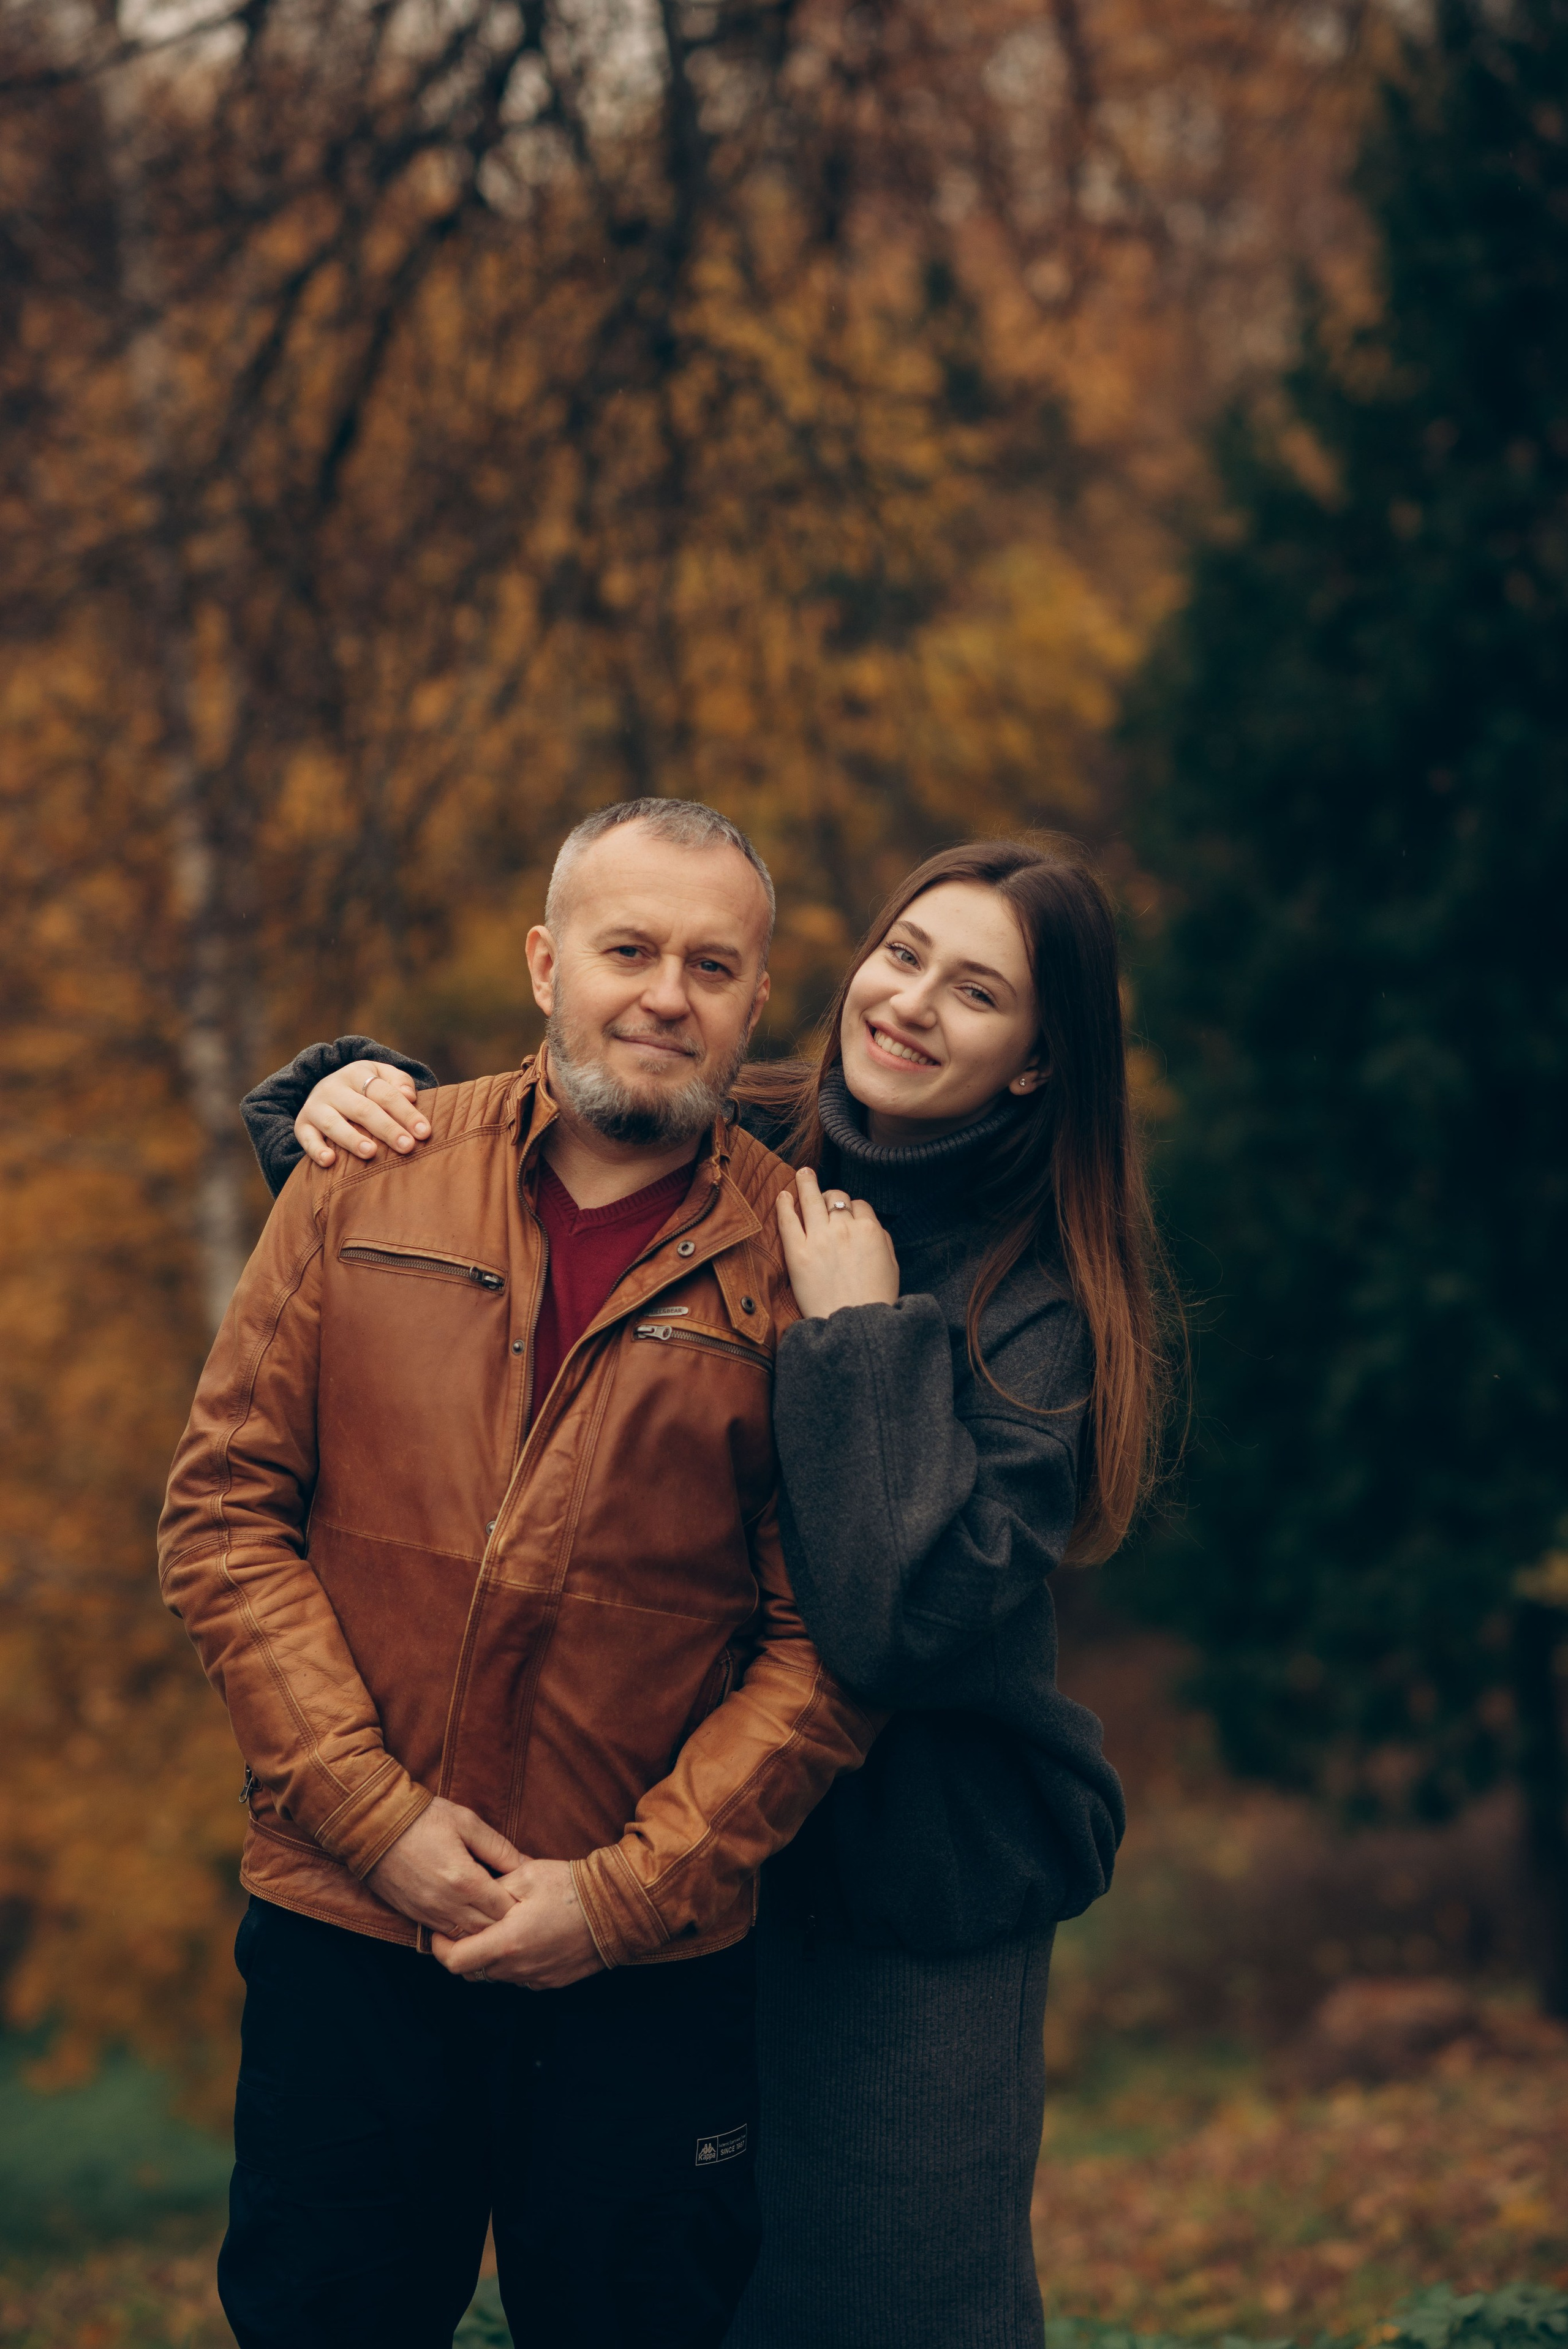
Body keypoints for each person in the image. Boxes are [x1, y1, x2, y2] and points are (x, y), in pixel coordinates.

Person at [246, 832, 1158, 2349]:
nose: (910, 1002)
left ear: (1034, 1063)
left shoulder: (1036, 1309)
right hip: (676, 1841)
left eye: (976, 991)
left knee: (881, 2302)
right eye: (902, 953)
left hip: (899, 1873)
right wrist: (336, 1092)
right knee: (698, 2293)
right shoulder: (759, 1129)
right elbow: (527, 1147)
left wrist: (858, 1341)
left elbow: (895, 1627)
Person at [157, 798, 880, 2349]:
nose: (665, 995)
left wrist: (617, 1900)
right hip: (348, 1928)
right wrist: (376, 1819)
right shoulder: (364, 1172)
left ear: (757, 1000)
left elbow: (827, 1641)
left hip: (646, 1969)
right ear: (546, 964)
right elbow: (223, 1512)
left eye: (711, 965)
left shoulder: (805, 1261)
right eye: (628, 950)